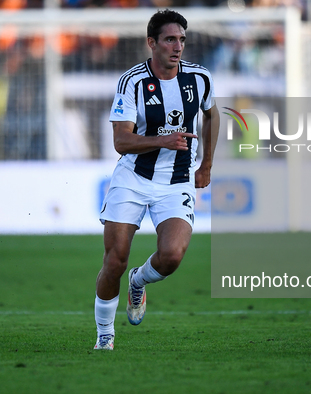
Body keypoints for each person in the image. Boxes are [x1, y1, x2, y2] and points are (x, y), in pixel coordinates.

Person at [93, 9, 220, 350]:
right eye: (169, 40)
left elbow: (212, 115)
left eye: (181, 40)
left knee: (172, 255)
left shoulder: (199, 79)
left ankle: (139, 281)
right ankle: (105, 335)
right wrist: (162, 140)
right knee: (115, 258)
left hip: (176, 181)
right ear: (152, 43)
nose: (177, 47)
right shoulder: (132, 82)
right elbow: (121, 142)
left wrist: (206, 164)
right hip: (133, 177)